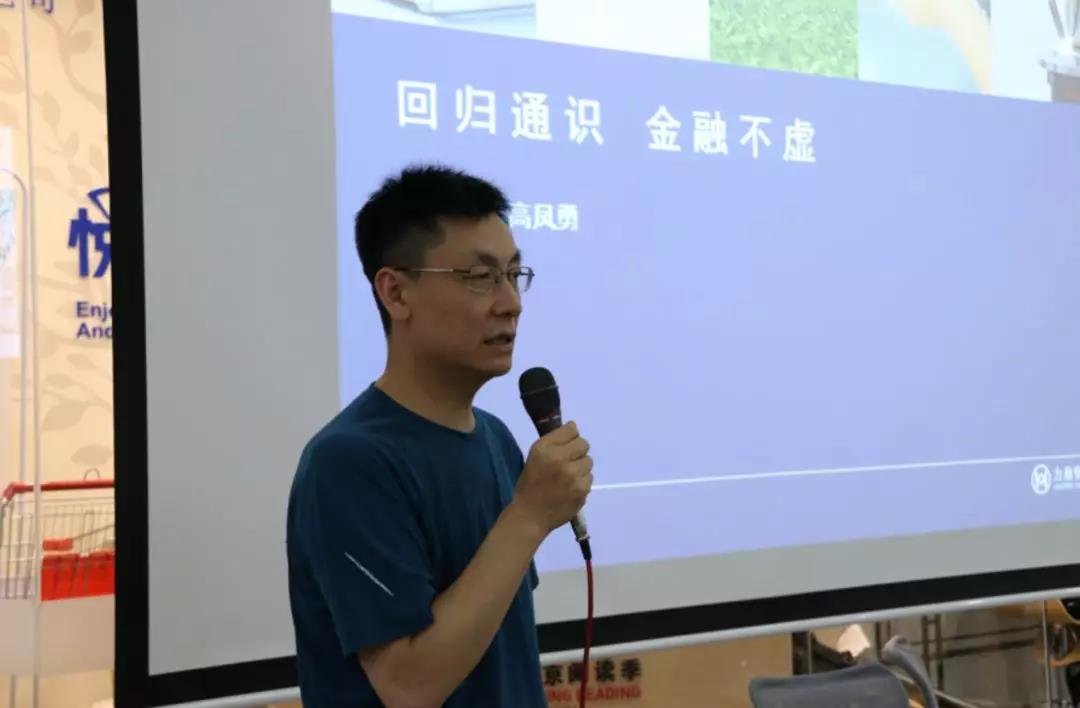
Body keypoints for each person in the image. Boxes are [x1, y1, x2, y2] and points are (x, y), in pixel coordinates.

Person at [286, 165, 594, 707]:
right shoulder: (348, 461)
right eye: (480, 277)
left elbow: (498, 650)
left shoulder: (496, 438)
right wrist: (527, 517)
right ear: (396, 292)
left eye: (514, 274)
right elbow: (408, 685)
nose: (511, 302)